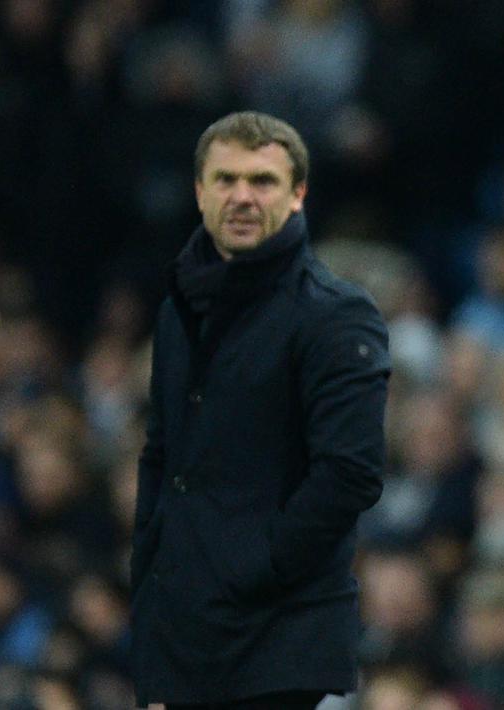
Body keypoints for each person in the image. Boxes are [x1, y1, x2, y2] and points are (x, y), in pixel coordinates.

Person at [129, 112, 391, 708]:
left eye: (263, 181)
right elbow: (161, 455)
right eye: (225, 179)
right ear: (199, 192)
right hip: (182, 634)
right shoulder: (177, 310)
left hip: (276, 641)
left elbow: (350, 474)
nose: (242, 196)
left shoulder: (335, 314)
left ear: (298, 195)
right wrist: (150, 575)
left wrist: (253, 567)